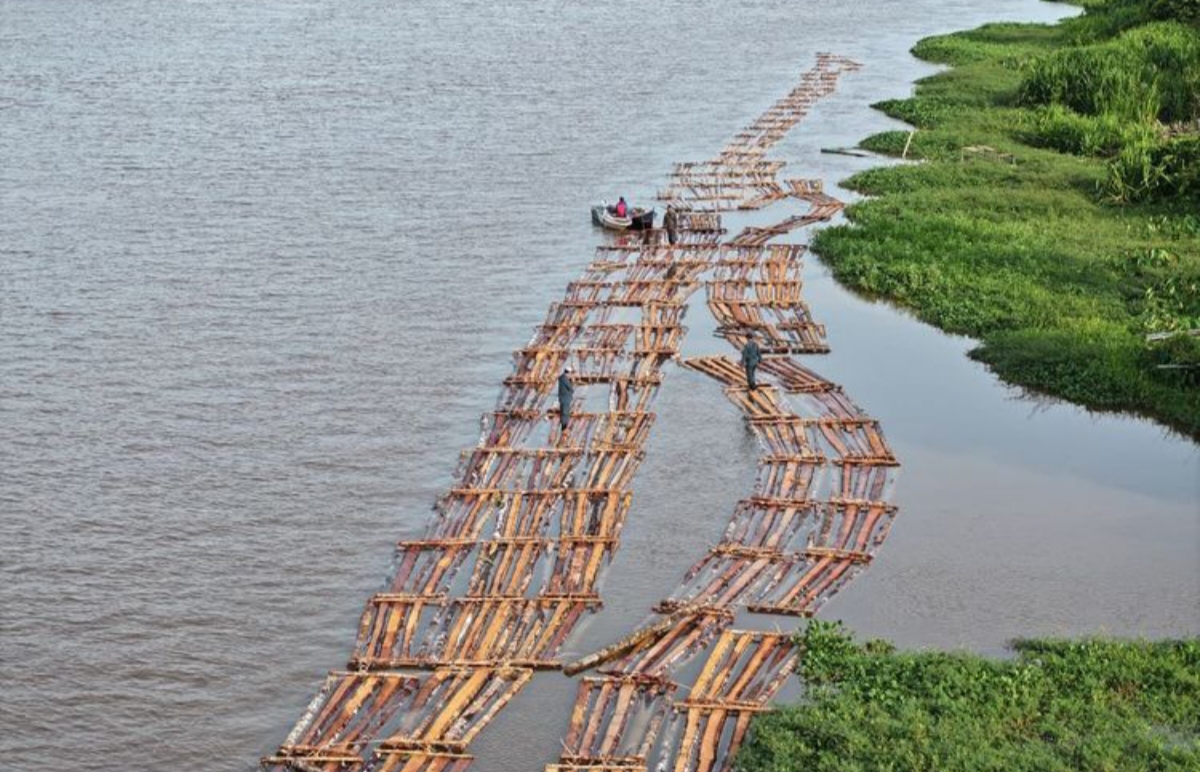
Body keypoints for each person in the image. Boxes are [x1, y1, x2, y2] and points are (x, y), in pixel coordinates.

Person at [557, 366, 575, 431]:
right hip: (565, 399)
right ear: (568, 373)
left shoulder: (562, 378)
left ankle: (563, 427)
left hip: (563, 398)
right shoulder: (565, 379)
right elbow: (571, 388)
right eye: (570, 373)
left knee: (563, 412)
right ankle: (564, 428)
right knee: (565, 413)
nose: (571, 375)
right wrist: (571, 381)